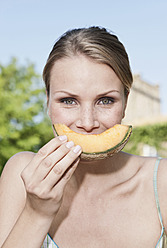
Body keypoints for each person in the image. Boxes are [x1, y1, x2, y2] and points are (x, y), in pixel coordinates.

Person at [0, 26, 167, 248]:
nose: (87, 124)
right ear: (48, 102)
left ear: (126, 102)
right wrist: (37, 212)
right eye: (68, 101)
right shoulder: (20, 174)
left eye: (105, 100)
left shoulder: (161, 181)